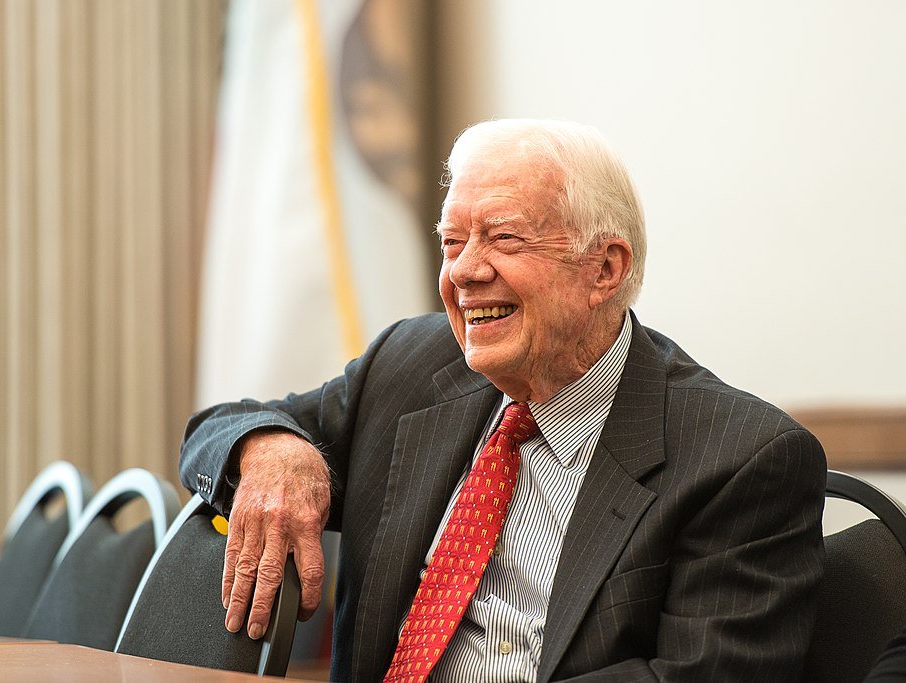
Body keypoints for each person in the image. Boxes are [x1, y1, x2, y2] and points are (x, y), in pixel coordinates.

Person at [181, 119, 827, 681]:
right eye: (452, 240)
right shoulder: (409, 365)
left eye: (504, 238)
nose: (463, 271)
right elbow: (218, 427)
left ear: (604, 269)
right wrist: (274, 451)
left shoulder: (742, 460)